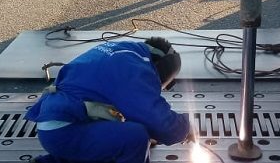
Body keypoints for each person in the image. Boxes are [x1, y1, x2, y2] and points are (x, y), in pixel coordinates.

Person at [25, 37, 195, 163]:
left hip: (54, 126)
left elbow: (128, 106)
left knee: (115, 134)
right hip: (66, 132)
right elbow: (156, 119)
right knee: (134, 138)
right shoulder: (136, 68)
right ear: (161, 68)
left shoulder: (122, 51)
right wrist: (184, 127)